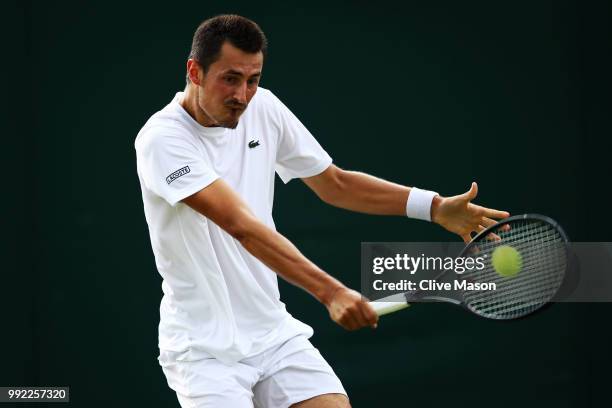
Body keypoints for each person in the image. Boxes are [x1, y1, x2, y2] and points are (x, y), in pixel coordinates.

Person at [135, 14, 509, 408]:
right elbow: (239, 225)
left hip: (273, 335)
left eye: (253, 80)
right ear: (194, 71)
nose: (242, 96)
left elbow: (335, 183)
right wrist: (330, 292)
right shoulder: (163, 140)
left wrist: (432, 207)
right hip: (204, 352)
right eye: (229, 79)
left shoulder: (263, 108)